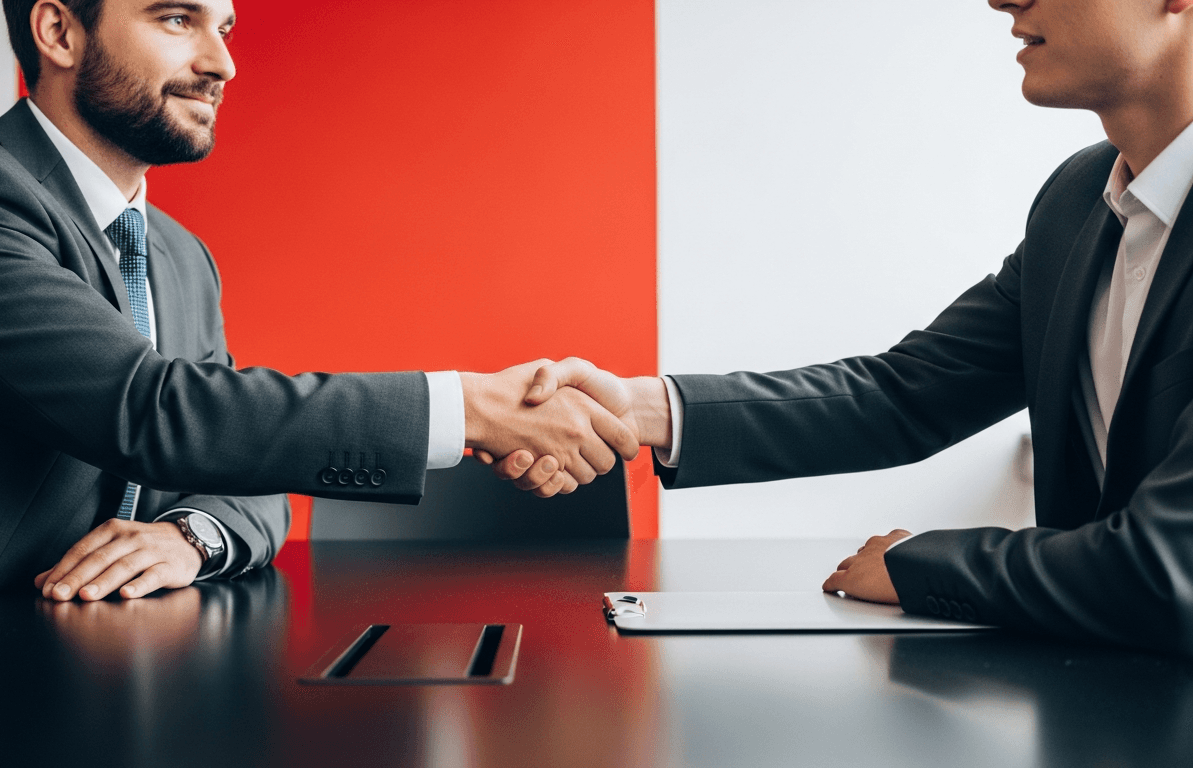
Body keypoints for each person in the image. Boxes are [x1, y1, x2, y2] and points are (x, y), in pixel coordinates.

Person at [0, 0, 636, 650]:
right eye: (178, 18)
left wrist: (189, 537)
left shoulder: (178, 254)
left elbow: (243, 465)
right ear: (58, 31)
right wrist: (469, 408)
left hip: (74, 659)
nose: (222, 61)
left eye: (225, 26)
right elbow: (154, 412)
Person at [494, 0, 1193, 655]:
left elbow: (1167, 565)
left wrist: (915, 563)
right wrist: (640, 408)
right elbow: (906, 393)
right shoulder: (1078, 200)